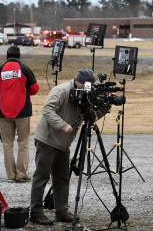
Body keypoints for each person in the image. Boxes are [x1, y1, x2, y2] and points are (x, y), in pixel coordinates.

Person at [29, 68, 110, 225]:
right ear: (79, 82)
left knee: (62, 179)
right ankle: (36, 213)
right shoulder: (61, 90)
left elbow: (92, 117)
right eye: (87, 86)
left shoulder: (86, 95)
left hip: (63, 143)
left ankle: (62, 212)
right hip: (47, 140)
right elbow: (47, 110)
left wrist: (106, 105)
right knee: (41, 177)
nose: (89, 89)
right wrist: (62, 125)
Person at [0, 46, 40, 183]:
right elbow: (35, 89)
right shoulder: (24, 69)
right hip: (22, 112)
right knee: (23, 143)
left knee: (7, 144)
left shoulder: (0, 70)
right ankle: (21, 174)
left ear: (7, 55)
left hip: (4, 112)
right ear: (19, 56)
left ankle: (11, 176)